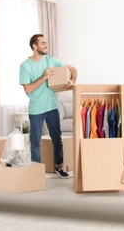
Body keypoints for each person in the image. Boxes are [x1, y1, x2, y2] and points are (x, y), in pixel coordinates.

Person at [19, 34, 77, 178]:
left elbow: (72, 68)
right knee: (35, 142)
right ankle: (36, 173)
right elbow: (27, 89)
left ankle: (59, 167)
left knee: (57, 139)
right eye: (43, 43)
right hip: (36, 109)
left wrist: (72, 80)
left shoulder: (51, 60)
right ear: (34, 46)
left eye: (46, 43)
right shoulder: (25, 66)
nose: (46, 45)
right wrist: (43, 77)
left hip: (52, 107)